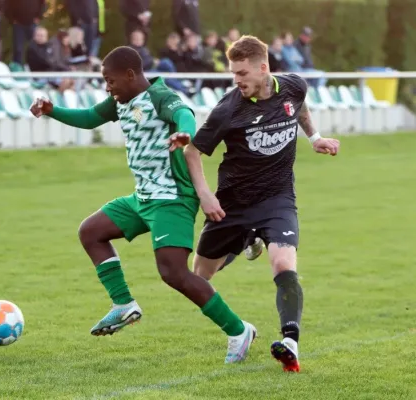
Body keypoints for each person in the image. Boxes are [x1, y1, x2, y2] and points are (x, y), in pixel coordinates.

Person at [30, 46, 257, 363]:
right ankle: (123, 304)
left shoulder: (160, 96)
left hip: (171, 198)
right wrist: (52, 110)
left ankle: (238, 330)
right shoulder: (120, 103)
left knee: (174, 273)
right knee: (91, 232)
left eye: (111, 81)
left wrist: (183, 135)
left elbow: (185, 115)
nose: (108, 87)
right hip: (143, 197)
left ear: (130, 75)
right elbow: (90, 118)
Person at [169, 35, 340, 372]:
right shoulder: (228, 108)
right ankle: (245, 241)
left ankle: (289, 341)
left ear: (264, 68)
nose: (237, 80)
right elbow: (192, 151)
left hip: (277, 198)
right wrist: (205, 194)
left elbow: (299, 102)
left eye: (242, 73)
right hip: (232, 204)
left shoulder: (292, 85)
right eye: (233, 74)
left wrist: (315, 137)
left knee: (283, 264)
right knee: (198, 278)